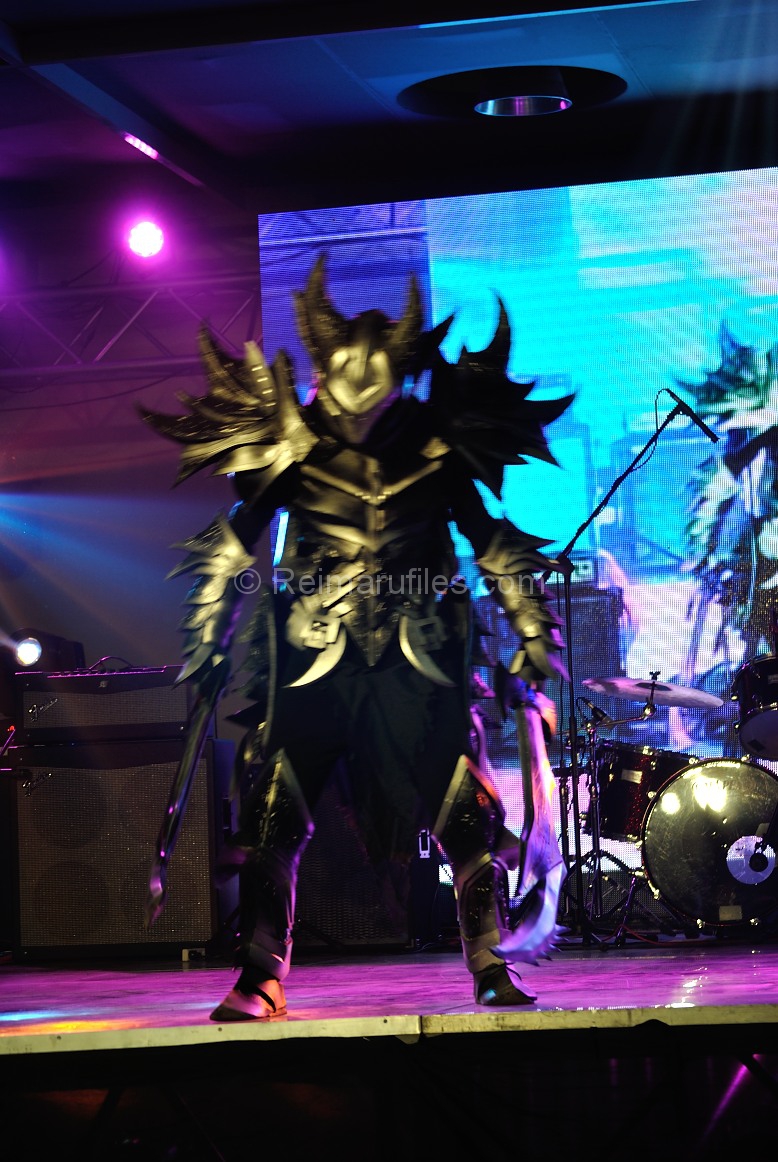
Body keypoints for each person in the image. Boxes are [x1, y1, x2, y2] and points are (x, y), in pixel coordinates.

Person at [141, 255, 572, 1020]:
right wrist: (209, 638)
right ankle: (260, 975)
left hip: (418, 664)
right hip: (316, 661)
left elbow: (494, 545)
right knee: (275, 811)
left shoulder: (436, 448)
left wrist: (531, 639)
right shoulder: (293, 447)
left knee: (462, 812)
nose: (361, 388)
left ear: (401, 376)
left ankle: (489, 963)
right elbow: (235, 542)